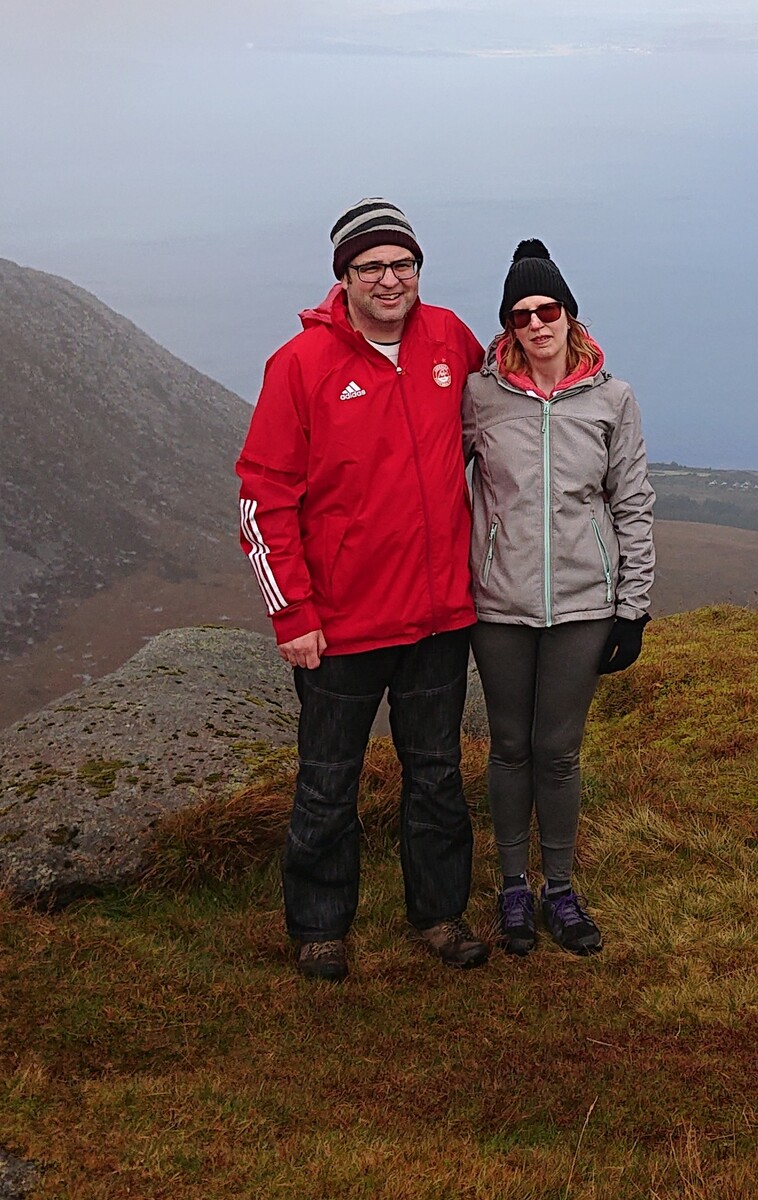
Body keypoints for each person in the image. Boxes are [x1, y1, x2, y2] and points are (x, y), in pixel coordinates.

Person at [236, 199, 489, 981]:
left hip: (440, 616)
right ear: (343, 277)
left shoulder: (449, 338)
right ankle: (319, 929)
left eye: (402, 265)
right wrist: (294, 616)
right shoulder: (300, 366)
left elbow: (513, 399)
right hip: (340, 628)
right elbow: (261, 496)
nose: (390, 280)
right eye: (372, 267)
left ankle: (441, 917)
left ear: (419, 270)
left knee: (438, 773)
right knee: (327, 782)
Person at [462, 239, 655, 956]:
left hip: (583, 604)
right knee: (509, 747)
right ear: (508, 327)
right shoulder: (481, 396)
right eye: (521, 315)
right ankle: (514, 889)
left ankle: (561, 890)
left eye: (548, 309)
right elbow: (435, 479)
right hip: (499, 606)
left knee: (558, 751)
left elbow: (632, 502)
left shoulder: (613, 398)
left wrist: (633, 606)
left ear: (571, 315)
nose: (536, 324)